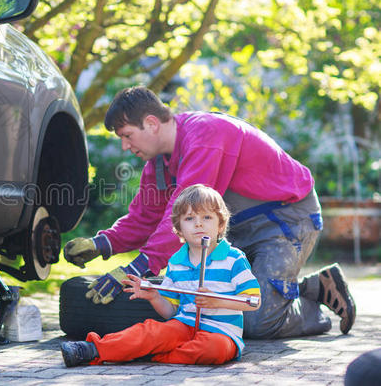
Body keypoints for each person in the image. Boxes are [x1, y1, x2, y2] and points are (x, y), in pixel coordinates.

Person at [64, 86, 356, 339]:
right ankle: (282, 292)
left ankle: (314, 293)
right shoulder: (158, 165)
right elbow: (145, 218)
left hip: (284, 221)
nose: (125, 146)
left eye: (127, 135)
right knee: (208, 307)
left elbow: (188, 213)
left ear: (151, 123)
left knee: (255, 322)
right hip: (233, 231)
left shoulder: (205, 135)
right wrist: (101, 244)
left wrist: (135, 270)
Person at [61, 184, 261, 367]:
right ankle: (93, 349)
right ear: (179, 228)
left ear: (220, 225)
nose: (198, 224)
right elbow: (170, 313)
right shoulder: (176, 261)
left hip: (221, 333)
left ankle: (144, 354)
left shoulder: (233, 259)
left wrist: (217, 302)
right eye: (190, 218)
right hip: (183, 325)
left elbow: (253, 302)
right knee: (150, 331)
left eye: (207, 217)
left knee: (213, 350)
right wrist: (154, 297)